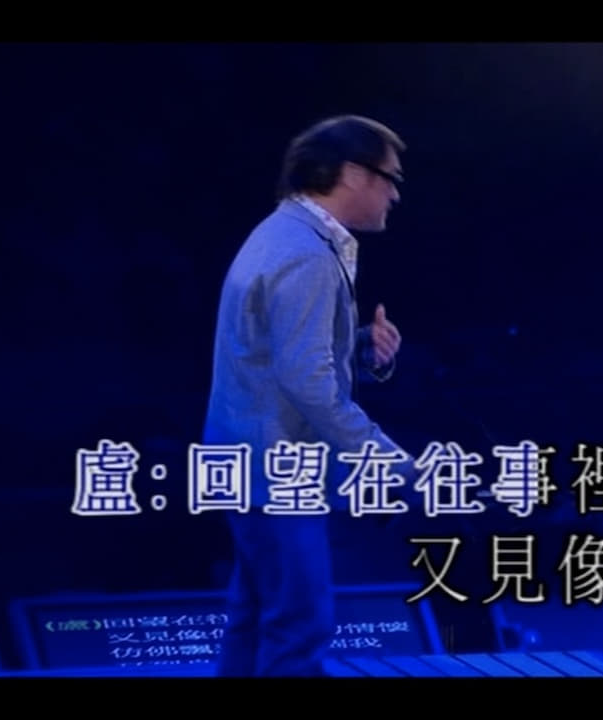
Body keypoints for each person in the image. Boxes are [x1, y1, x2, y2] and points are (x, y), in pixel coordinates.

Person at [202, 114, 410, 677]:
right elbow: (309, 384)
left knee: (254, 620)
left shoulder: (284, 233)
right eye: (390, 178)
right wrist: (391, 463)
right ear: (353, 173)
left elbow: (274, 354)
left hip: (249, 462)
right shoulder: (306, 254)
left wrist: (359, 347)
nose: (395, 193)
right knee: (299, 627)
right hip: (276, 471)